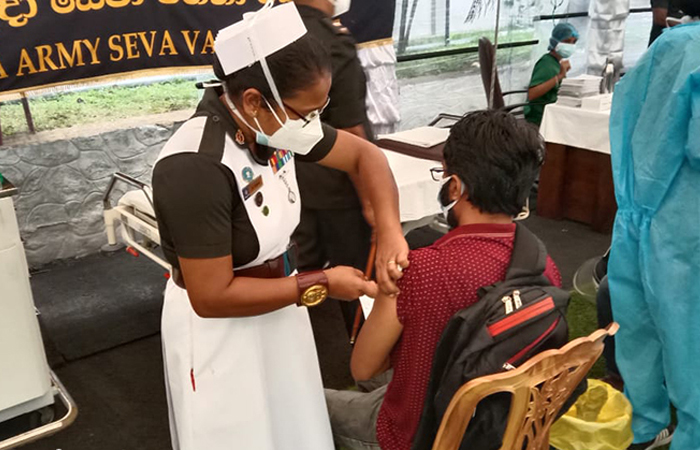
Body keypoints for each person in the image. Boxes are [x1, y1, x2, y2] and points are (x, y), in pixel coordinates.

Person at [151, 2, 409, 449]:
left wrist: (389, 231)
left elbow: (365, 157)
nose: (310, 125)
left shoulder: (274, 124)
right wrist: (321, 284)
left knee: (294, 422)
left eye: (319, 111)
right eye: (302, 112)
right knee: (238, 432)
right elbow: (212, 297)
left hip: (277, 307)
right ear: (253, 99)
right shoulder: (195, 166)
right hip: (221, 331)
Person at [324, 111, 562, 450]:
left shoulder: (424, 270)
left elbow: (362, 367)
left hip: (418, 434)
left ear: (456, 185)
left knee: (312, 403)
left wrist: (387, 303)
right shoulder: (544, 265)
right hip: (497, 422)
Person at [607, 1, 700, 448]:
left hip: (636, 210)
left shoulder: (669, 43)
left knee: (638, 326)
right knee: (688, 336)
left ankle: (644, 422)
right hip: (685, 223)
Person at [292, 0, 374, 334]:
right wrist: (371, 202)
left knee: (294, 277)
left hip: (282, 179)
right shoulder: (332, 41)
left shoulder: (270, 31)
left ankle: (290, 361)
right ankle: (366, 364)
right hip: (335, 184)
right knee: (358, 280)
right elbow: (351, 131)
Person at [524, 23, 579, 127]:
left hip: (554, 113)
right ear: (555, 41)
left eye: (574, 42)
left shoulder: (556, 63)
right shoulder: (546, 63)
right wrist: (559, 76)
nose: (570, 45)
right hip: (541, 117)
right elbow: (532, 94)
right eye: (567, 41)